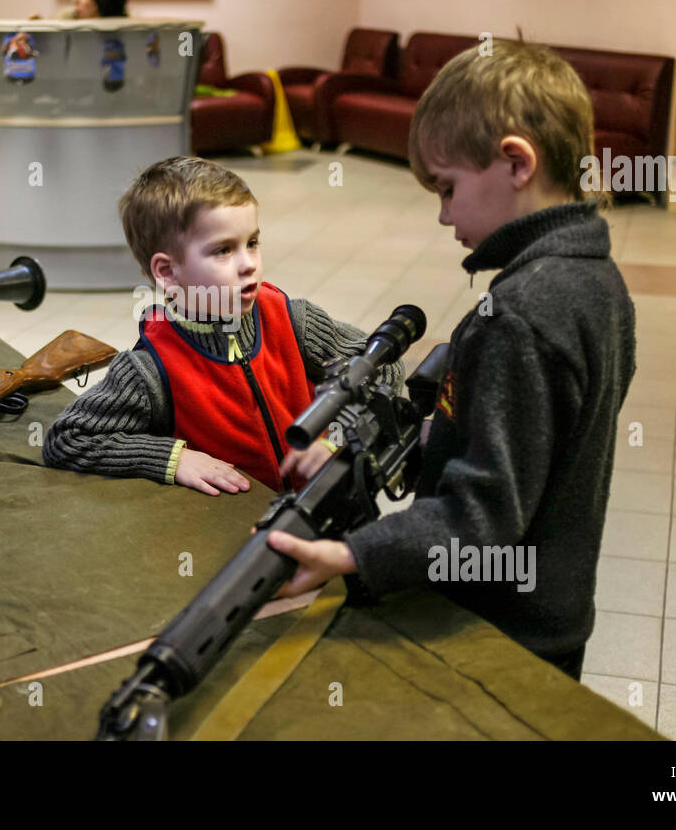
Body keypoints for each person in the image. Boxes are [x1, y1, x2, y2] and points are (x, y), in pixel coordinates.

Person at [266, 39, 637, 682]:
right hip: (549, 613)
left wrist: (350, 554)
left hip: (494, 634)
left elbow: (480, 518)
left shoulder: (524, 311)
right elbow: (498, 433)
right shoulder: (593, 279)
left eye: (447, 187)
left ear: (515, 162)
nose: (442, 215)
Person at [42, 155, 401, 497]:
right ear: (167, 272)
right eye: (223, 250)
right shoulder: (149, 369)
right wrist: (173, 458)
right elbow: (67, 438)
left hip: (330, 513)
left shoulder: (294, 320)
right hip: (235, 540)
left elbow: (383, 362)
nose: (249, 265)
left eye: (253, 243)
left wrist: (336, 436)